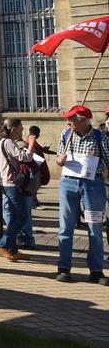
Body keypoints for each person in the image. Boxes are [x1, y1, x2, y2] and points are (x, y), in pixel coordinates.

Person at [53, 105, 109, 285]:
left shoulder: (101, 137)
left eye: (72, 119)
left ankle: (96, 270)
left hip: (93, 184)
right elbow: (59, 155)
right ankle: (64, 268)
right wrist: (59, 160)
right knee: (66, 226)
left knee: (95, 227)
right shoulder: (65, 134)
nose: (69, 122)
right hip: (68, 182)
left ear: (83, 120)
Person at [0, 118, 35, 262]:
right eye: (21, 127)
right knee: (23, 217)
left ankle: (12, 250)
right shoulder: (8, 142)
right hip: (11, 184)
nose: (23, 130)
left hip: (8, 183)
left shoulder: (5, 142)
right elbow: (25, 157)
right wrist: (31, 143)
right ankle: (2, 245)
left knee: (13, 218)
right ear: (14, 128)